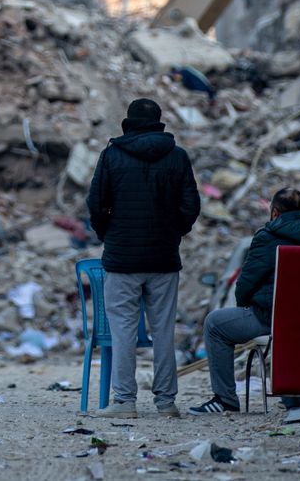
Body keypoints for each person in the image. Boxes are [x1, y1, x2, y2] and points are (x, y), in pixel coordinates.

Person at [85, 98, 202, 418]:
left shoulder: (112, 155)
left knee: (123, 330)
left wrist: (108, 234)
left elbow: (96, 203)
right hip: (164, 259)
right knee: (163, 330)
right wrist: (174, 233)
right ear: (159, 122)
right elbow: (191, 205)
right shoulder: (177, 157)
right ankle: (166, 403)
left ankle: (125, 402)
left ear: (128, 122)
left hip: (122, 259)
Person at [189, 188, 300, 414]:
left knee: (214, 324)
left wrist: (247, 306)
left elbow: (245, 283)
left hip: (272, 319)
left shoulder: (268, 236)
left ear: (274, 212)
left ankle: (225, 400)